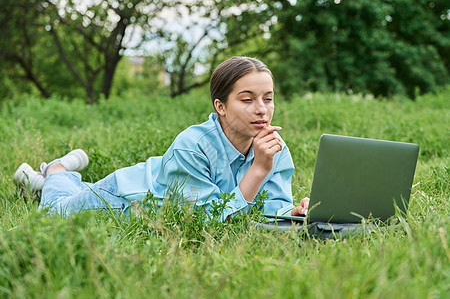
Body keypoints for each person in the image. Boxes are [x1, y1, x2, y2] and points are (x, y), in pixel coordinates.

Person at [13, 56, 310, 221]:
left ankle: (52, 180)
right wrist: (258, 169)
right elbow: (208, 220)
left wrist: (291, 213)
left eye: (268, 99)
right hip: (127, 197)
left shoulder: (274, 148)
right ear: (220, 106)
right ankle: (56, 171)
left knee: (69, 194)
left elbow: (269, 209)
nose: (262, 109)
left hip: (158, 182)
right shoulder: (192, 145)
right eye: (247, 99)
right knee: (54, 212)